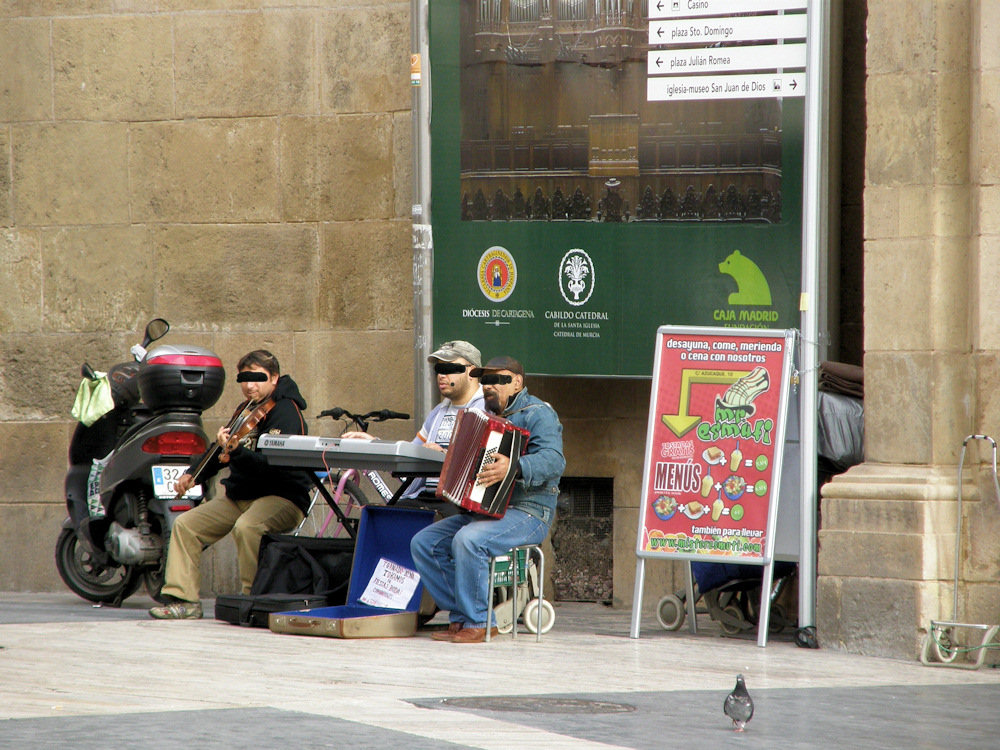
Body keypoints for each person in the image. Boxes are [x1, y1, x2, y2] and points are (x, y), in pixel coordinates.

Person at [409, 355, 565, 643]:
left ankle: (481, 620)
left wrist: (515, 466)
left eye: (499, 379)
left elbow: (554, 461)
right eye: (486, 379)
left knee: (468, 539)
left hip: (529, 511)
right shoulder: (485, 418)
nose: (490, 385)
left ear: (517, 382)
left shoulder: (538, 413)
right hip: (487, 511)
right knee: (424, 543)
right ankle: (462, 616)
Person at [149, 350, 312, 620]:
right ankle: (184, 601)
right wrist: (193, 474)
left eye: (258, 378)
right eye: (245, 379)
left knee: (248, 527)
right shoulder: (245, 410)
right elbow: (220, 451)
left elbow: (273, 467)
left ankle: (252, 600)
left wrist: (236, 452)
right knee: (186, 525)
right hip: (241, 497)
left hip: (282, 497)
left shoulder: (286, 413)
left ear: (274, 378)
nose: (250, 385)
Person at [343, 340, 484, 516]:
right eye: (438, 369)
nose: (441, 375)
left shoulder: (487, 409)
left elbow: (483, 463)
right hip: (426, 497)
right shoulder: (438, 411)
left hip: (460, 501)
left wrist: (444, 456)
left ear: (471, 371)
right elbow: (411, 453)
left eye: (449, 369)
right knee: (380, 519)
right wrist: (374, 443)